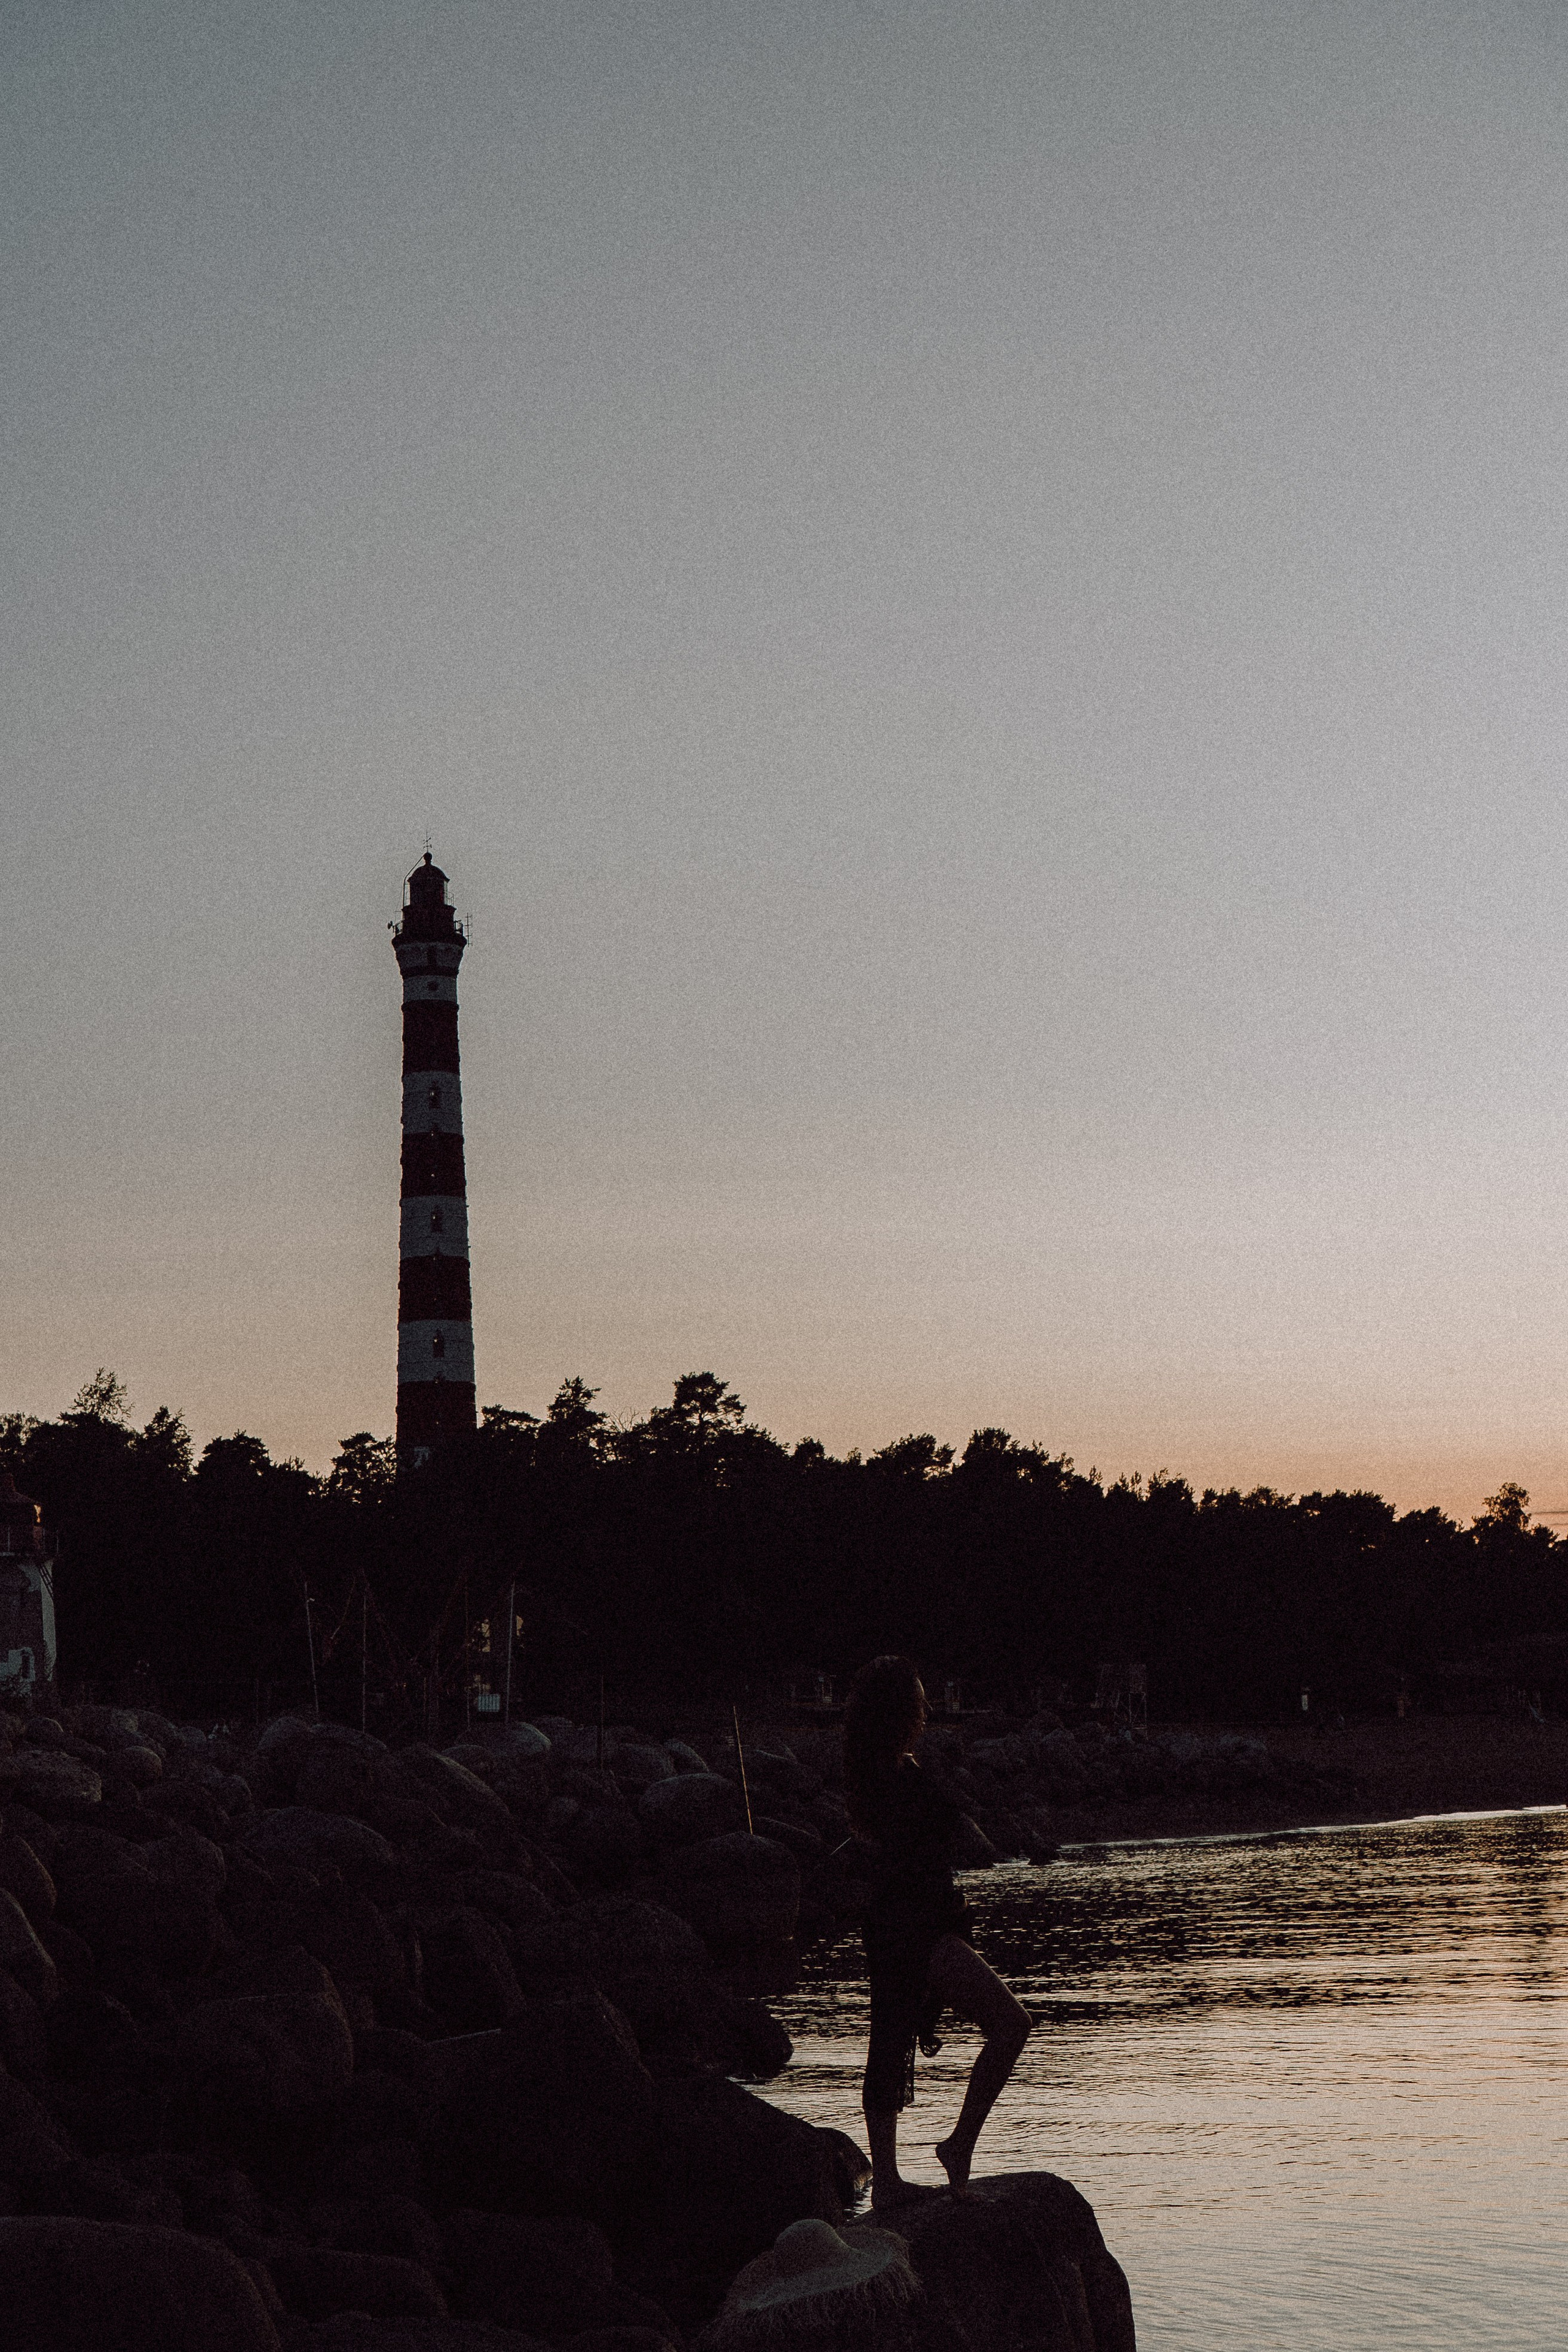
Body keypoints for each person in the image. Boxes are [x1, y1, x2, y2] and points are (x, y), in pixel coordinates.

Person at [845, 1654, 1032, 2213]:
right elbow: (973, 1844)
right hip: (922, 1930)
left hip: (892, 1927)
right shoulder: (905, 1780)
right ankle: (956, 2147)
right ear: (905, 1712)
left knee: (890, 2042)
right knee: (1011, 2024)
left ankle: (892, 2180)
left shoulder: (870, 1776)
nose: (925, 1711)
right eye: (920, 1701)